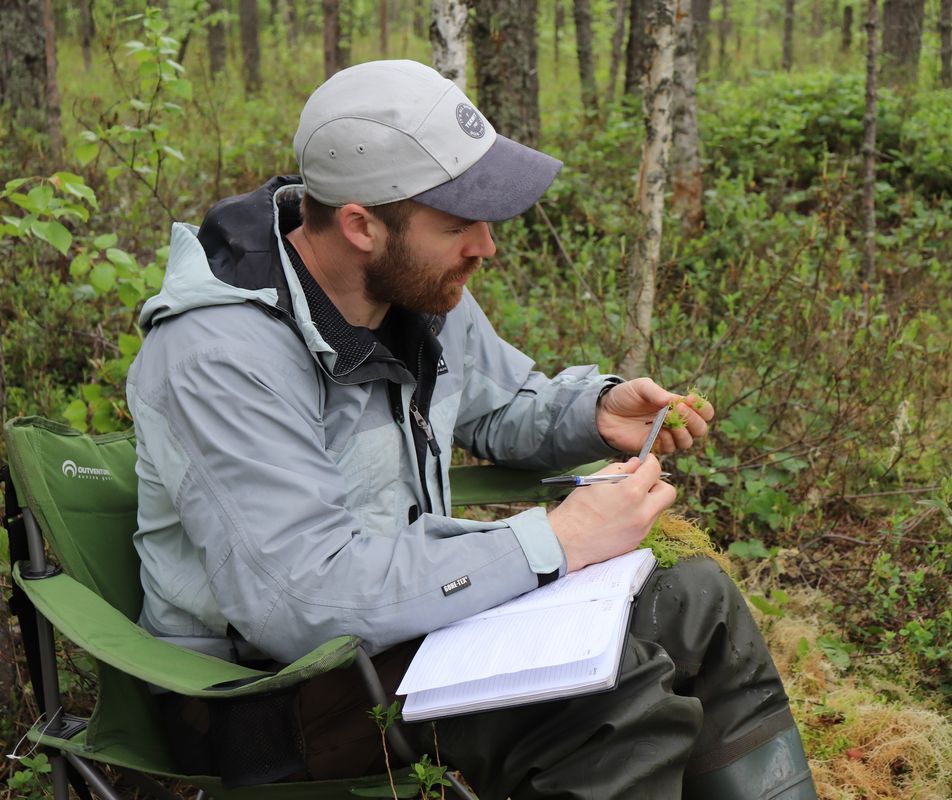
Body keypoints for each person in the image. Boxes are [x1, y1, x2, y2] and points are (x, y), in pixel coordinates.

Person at [128, 59, 816, 799]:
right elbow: (303, 603)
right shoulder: (220, 353)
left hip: (404, 633)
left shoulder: (413, 288)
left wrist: (593, 412)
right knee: (610, 696)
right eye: (458, 224)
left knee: (694, 600)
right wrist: (554, 540)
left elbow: (502, 403)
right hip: (265, 695)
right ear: (361, 224)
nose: (485, 247)